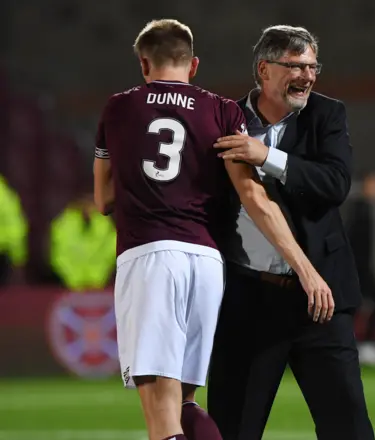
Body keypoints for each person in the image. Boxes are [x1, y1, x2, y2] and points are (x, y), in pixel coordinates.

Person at [93, 19, 332, 440]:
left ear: (144, 63)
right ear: (194, 64)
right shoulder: (223, 110)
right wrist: (306, 269)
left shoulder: (119, 107)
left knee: (161, 416)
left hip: (150, 257)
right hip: (204, 263)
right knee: (186, 404)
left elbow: (104, 199)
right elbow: (255, 198)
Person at [208, 25, 375, 440]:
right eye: (296, 65)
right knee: (232, 429)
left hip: (321, 298)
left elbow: (335, 184)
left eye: (313, 66)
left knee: (349, 429)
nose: (308, 75)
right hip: (249, 299)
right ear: (264, 69)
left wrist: (267, 156)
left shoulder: (327, 114)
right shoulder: (225, 119)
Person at [346, 171, 375, 366]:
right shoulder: (360, 210)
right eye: (374, 184)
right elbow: (353, 241)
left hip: (362, 267)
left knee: (361, 306)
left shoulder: (365, 208)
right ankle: (366, 345)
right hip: (359, 268)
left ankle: (360, 344)